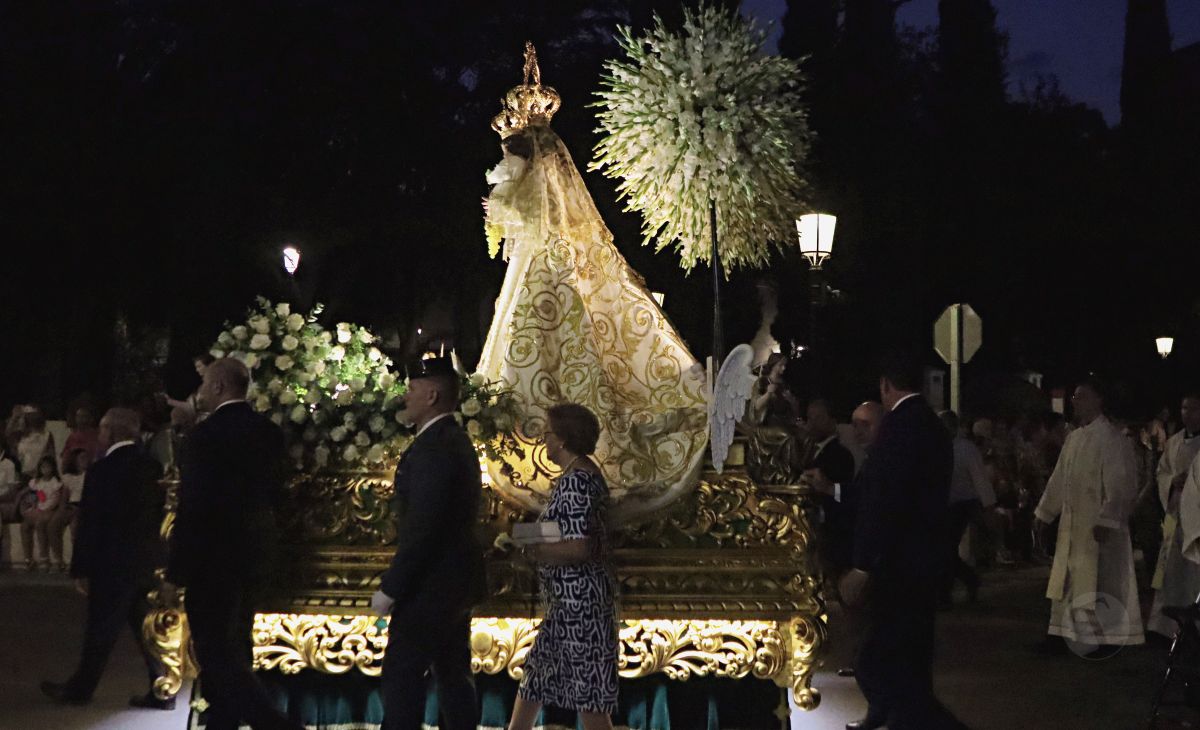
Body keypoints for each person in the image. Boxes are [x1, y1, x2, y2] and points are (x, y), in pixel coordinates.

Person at [476, 43, 708, 510]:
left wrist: (501, 199)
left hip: (545, 267)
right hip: (537, 262)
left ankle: (554, 443)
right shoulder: (552, 212)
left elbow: (512, 206)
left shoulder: (530, 173)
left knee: (549, 344)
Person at [166, 358, 302, 730]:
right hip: (255, 553)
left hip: (212, 559)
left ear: (220, 387)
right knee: (238, 643)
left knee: (214, 651)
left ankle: (278, 725)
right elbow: (277, 494)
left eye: (206, 385)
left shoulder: (204, 437)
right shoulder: (269, 433)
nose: (200, 392)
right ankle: (222, 721)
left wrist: (176, 571)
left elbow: (192, 507)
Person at [840, 353, 964, 730]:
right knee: (908, 658)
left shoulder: (898, 427)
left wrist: (863, 564)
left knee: (878, 658)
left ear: (885, 386)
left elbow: (885, 500)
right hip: (924, 559)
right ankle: (896, 716)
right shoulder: (932, 425)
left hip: (899, 565)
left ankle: (912, 718)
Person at [371, 356, 486, 730]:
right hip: (453, 586)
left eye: (412, 389)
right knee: (453, 677)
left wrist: (392, 587)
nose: (406, 396)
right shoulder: (452, 441)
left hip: (429, 588)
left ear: (432, 395)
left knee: (402, 677)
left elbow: (424, 527)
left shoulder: (436, 447)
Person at [40, 408, 167, 707]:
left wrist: (80, 568)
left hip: (111, 562)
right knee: (147, 630)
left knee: (100, 630)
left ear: (110, 432)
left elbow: (92, 523)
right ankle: (163, 686)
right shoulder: (152, 467)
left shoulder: (102, 470)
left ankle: (80, 689)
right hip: (144, 560)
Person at [509, 403, 618, 730]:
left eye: (548, 434)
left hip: (579, 607)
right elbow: (569, 528)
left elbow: (579, 546)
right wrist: (522, 535)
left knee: (589, 696)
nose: (544, 440)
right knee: (536, 677)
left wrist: (530, 552)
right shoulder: (581, 474)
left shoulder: (577, 482)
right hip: (568, 606)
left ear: (562, 440)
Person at [1034, 377, 1143, 653]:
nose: (1075, 401)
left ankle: (1103, 637)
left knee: (1099, 581)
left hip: (1097, 527)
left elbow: (1120, 484)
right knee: (1069, 580)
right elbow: (1059, 480)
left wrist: (1107, 518)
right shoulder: (1074, 438)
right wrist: (1045, 513)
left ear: (1098, 400)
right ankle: (1060, 633)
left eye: (1081, 396)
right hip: (1073, 525)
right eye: (1075, 397)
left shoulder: (1112, 439)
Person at [1147, 392, 1200, 637]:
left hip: (1195, 516)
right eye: (1184, 408)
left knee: (1192, 571)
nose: (1187, 414)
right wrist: (1171, 482)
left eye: (1193, 409)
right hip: (1173, 511)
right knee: (1167, 569)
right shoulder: (1175, 441)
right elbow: (1162, 471)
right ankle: (1164, 625)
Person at [940, 411, 995, 607]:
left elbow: (979, 478)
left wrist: (988, 506)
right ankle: (966, 580)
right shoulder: (939, 447)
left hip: (962, 504)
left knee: (945, 548)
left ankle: (946, 593)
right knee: (943, 549)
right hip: (944, 505)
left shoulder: (965, 449)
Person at [801, 399, 857, 579]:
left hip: (832, 536)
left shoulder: (840, 455)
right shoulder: (808, 451)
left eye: (817, 418)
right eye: (809, 418)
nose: (811, 424)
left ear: (832, 422)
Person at [21, 455, 65, 571]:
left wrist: (42, 509)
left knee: (40, 523)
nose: (45, 470)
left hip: (49, 510)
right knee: (24, 525)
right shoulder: (36, 482)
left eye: (48, 467)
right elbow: (32, 496)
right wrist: (32, 504)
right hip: (38, 509)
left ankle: (44, 558)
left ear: (53, 468)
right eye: (43, 467)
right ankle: (28, 558)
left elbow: (54, 501)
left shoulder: (56, 483)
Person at [50, 447, 91, 554]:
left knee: (76, 529)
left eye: (86, 457)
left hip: (84, 507)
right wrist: (61, 511)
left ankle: (80, 559)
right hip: (70, 506)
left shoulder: (91, 475)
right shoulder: (68, 477)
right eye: (82, 458)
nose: (85, 460)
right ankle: (58, 559)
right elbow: (65, 496)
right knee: (53, 526)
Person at [17, 407, 55, 479]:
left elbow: (50, 456)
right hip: (23, 474)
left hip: (40, 475)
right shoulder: (21, 436)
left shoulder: (47, 436)